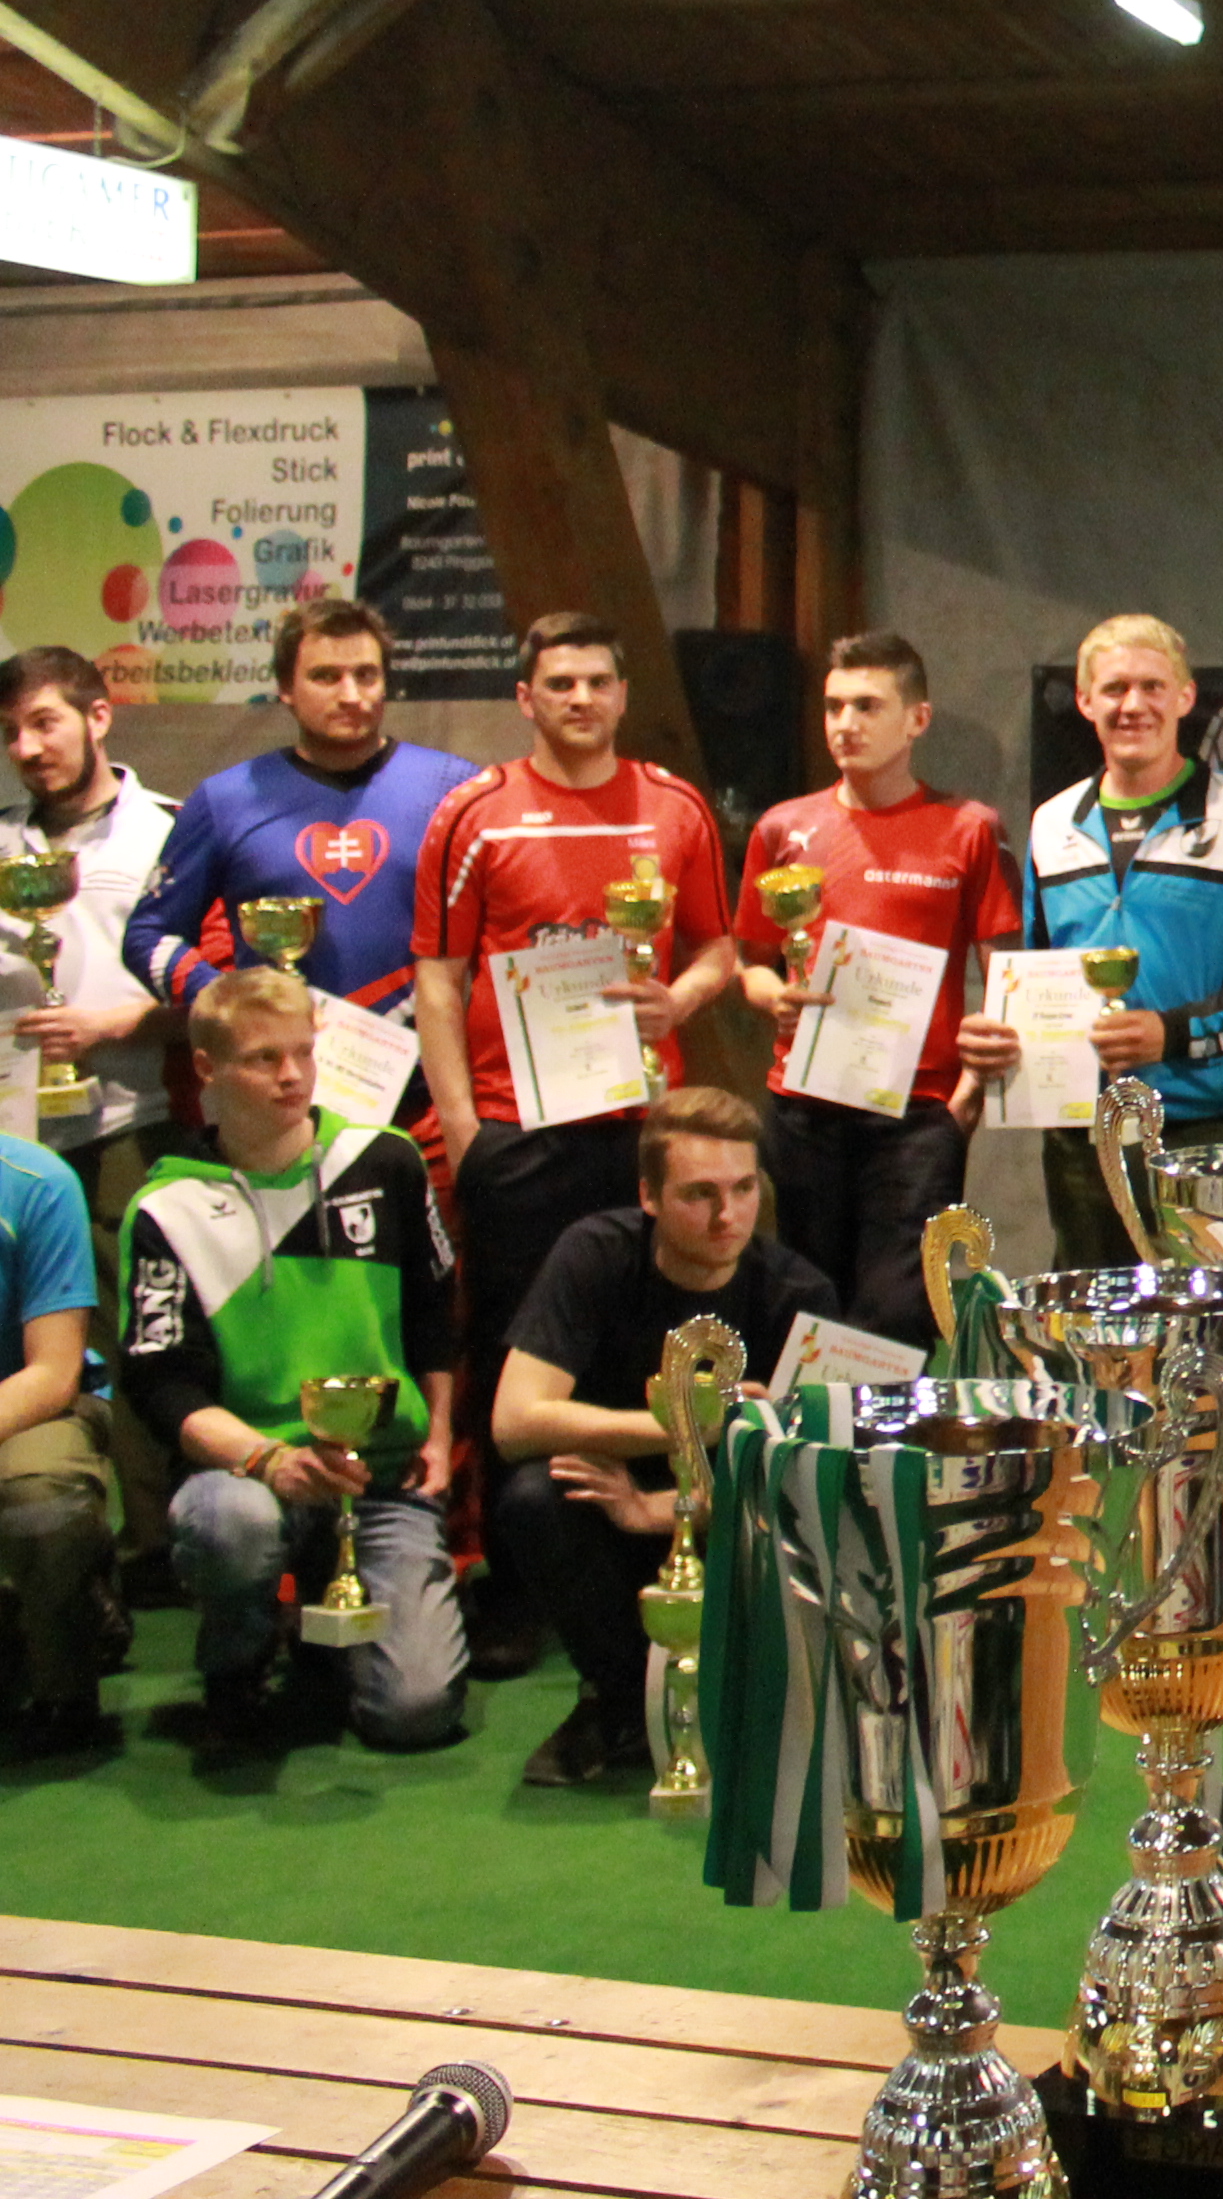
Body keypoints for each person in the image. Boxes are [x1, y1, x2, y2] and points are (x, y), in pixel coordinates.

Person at [410, 613, 734, 1679]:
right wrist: (466, 1129)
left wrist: (678, 1000)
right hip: (519, 1128)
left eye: (598, 680)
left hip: (645, 1127)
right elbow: (439, 977)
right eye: (560, 682)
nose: (581, 698)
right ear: (526, 697)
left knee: (653, 1338)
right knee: (512, 1347)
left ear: (623, 693)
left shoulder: (675, 807)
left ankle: (661, 1545)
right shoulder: (475, 814)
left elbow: (718, 945)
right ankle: (513, 1582)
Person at [120, 968, 465, 1755]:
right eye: (262, 1059)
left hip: (380, 1478)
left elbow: (433, 1316)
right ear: (206, 1069)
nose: (292, 1076)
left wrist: (441, 1437)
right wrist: (270, 1461)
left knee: (415, 1713)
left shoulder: (385, 1161)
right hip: (246, 1475)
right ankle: (236, 1661)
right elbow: (162, 1387)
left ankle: (326, 1633)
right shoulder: (165, 1209)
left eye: (303, 1053)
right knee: (229, 1526)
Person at [489, 1086, 829, 1790]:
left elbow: (812, 1485)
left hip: (735, 1522)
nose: (727, 1215)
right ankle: (618, 1701)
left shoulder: (799, 1297)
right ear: (649, 1196)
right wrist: (685, 1425)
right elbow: (514, 1422)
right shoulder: (595, 1253)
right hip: (613, 1506)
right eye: (700, 1194)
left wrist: (665, 1509)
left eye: (742, 1189)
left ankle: (738, 1692)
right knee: (533, 1497)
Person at [997, 615, 1223, 1270]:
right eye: (1114, 688)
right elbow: (1032, 978)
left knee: (1209, 1322)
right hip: (1081, 1128)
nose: (1134, 705)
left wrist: (1174, 1033)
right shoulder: (1050, 824)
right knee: (1094, 1318)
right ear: (1084, 701)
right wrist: (1003, 1040)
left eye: (1152, 686)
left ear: (1185, 697)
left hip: (1205, 1125)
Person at [731, 633, 1019, 1346]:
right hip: (804, 1106)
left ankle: (891, 1426)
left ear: (917, 719)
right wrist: (773, 997)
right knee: (809, 1311)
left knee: (896, 1317)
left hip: (917, 1115)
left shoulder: (969, 829)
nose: (845, 724)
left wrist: (964, 1104)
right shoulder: (783, 828)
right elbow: (751, 963)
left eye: (867, 706)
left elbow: (1006, 980)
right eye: (834, 707)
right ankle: (814, 1426)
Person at [127, 597, 479, 1132]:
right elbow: (148, 934)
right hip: (279, 1105)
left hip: (429, 1098)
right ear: (285, 689)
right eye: (325, 676)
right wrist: (233, 1004)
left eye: (366, 675)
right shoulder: (225, 800)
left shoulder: (456, 788)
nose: (351, 695)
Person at [3, 648, 177, 1275]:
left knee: (118, 1318)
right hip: (9, 1138)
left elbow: (220, 1000)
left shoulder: (172, 831)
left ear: (98, 717)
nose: (26, 748)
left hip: (128, 1127)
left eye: (44, 723)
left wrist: (106, 1027)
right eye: (9, 732)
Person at [0, 1130, 116, 1761]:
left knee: (40, 1497)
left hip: (34, 1409)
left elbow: (52, 1372)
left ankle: (62, 1690)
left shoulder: (36, 1184)